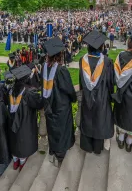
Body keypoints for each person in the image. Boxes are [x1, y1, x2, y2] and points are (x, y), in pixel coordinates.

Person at [42, 37, 77, 167]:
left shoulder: (45, 68)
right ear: (60, 55)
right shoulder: (61, 70)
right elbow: (68, 89)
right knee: (62, 131)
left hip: (49, 106)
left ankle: (53, 150)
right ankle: (60, 155)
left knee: (52, 129)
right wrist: (73, 98)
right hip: (61, 107)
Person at [78, 30, 115, 154]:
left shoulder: (82, 60)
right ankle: (97, 148)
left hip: (87, 96)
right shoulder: (107, 61)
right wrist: (110, 94)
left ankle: (87, 146)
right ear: (101, 47)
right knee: (99, 121)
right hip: (102, 97)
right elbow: (111, 82)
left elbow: (81, 80)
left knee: (88, 119)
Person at [6, 66, 44, 171]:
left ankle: (15, 161)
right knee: (23, 140)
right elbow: (40, 104)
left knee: (15, 140)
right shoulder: (28, 93)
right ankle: (22, 162)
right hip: (25, 123)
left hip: (11, 122)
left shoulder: (10, 91)